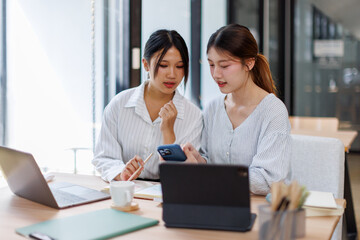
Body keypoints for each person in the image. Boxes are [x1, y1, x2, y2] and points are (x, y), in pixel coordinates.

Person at [182, 24, 291, 195]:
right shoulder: (212, 108)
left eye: (224, 66)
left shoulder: (273, 111)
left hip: (257, 209)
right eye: (211, 65)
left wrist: (214, 175)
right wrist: (198, 161)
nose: (216, 74)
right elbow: (210, 164)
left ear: (249, 63)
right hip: (216, 203)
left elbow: (267, 181)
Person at [93, 29, 203, 182]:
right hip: (126, 191)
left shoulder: (194, 116)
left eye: (179, 66)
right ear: (145, 64)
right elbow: (104, 157)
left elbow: (182, 178)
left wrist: (168, 134)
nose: (172, 74)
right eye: (163, 65)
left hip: (166, 198)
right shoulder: (119, 104)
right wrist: (121, 172)